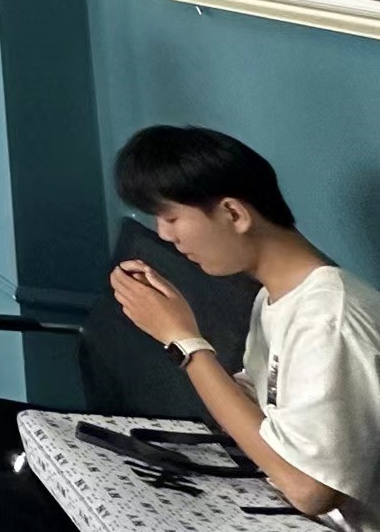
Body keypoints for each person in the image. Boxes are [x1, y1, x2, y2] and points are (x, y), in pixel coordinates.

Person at [103, 126, 378, 530]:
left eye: (171, 216)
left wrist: (184, 342)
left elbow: (310, 488)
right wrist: (176, 327)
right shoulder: (274, 299)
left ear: (234, 213)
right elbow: (256, 416)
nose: (164, 234)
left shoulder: (328, 317)